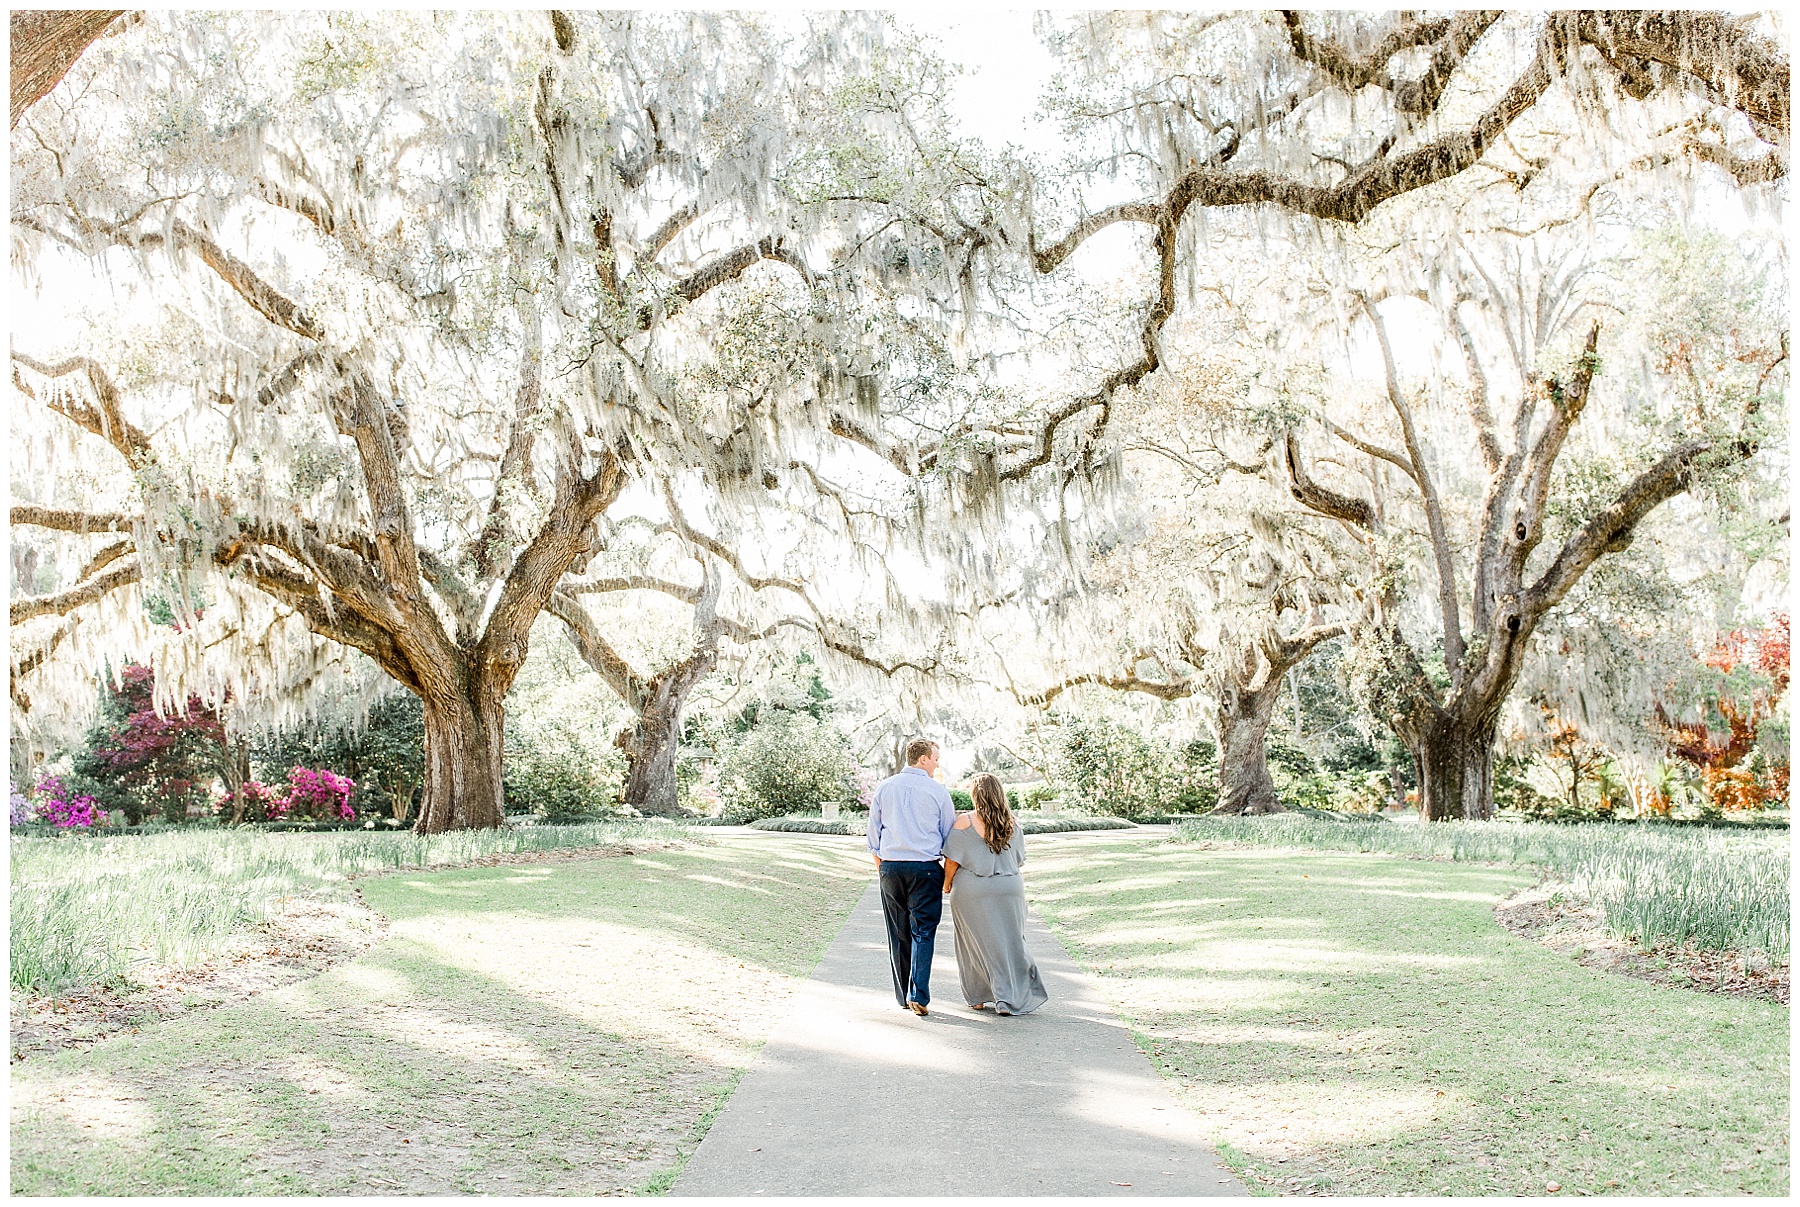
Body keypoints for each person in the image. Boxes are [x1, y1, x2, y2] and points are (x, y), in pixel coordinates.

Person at [942, 772, 1048, 1015]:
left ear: (975, 795)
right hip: (1010, 889)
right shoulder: (1013, 822)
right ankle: (1006, 999)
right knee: (1011, 943)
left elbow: (952, 861)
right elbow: (1018, 859)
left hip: (972, 891)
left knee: (973, 944)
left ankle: (978, 998)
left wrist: (946, 885)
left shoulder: (964, 822)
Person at [868, 738, 956, 1016]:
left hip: (891, 867)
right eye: (935, 758)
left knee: (898, 932)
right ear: (923, 759)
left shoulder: (885, 787)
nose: (937, 764)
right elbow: (950, 837)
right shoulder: (938, 791)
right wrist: (947, 876)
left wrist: (883, 869)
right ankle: (917, 995)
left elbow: (873, 837)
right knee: (923, 931)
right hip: (925, 868)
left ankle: (904, 998)